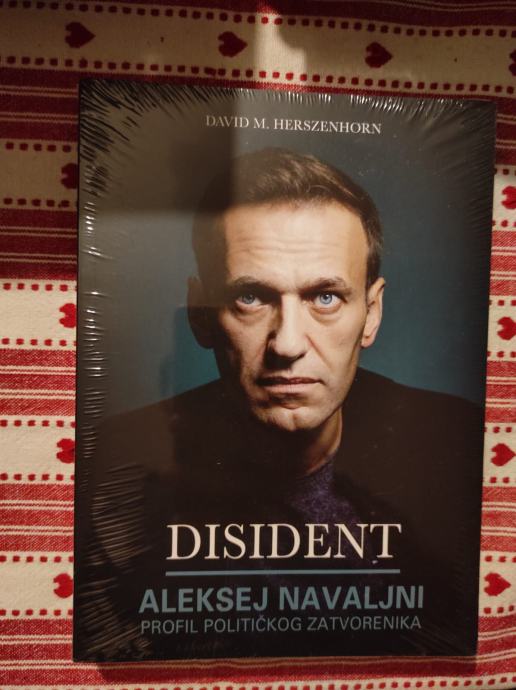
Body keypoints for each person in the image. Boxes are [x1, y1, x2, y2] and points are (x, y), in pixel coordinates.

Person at [74, 149, 484, 661]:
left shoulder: (457, 446)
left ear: (372, 312)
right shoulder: (116, 467)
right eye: (251, 297)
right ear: (201, 314)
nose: (287, 344)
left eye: (325, 297)